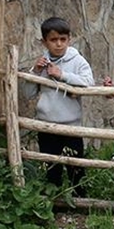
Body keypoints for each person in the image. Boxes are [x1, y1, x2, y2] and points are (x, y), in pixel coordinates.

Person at [20, 16, 95, 188]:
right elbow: (28, 93)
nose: (59, 44)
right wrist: (36, 72)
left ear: (69, 39)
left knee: (75, 167)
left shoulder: (77, 61)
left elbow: (89, 83)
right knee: (51, 167)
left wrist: (63, 76)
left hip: (71, 125)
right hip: (46, 125)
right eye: (53, 40)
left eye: (63, 39)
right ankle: (54, 203)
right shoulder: (42, 63)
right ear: (44, 42)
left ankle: (80, 202)